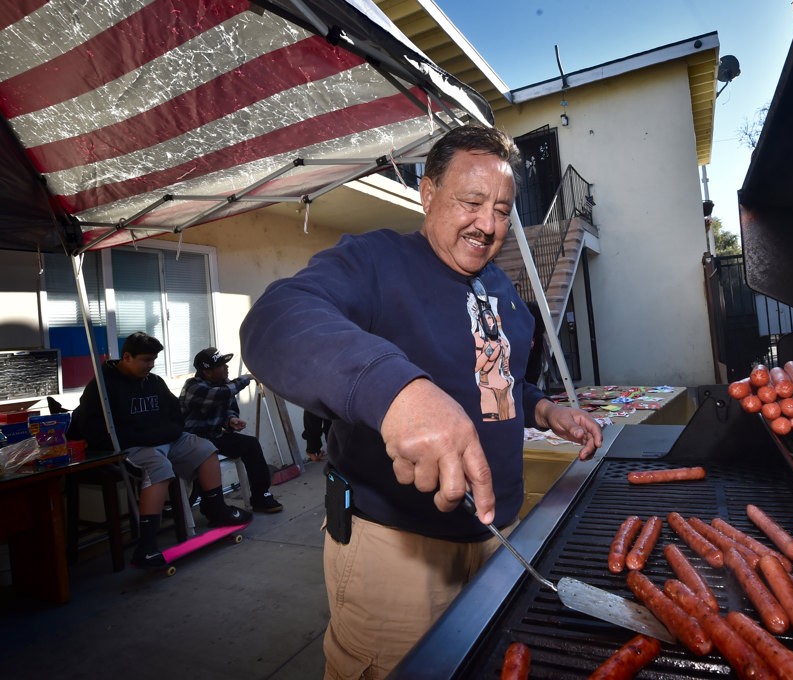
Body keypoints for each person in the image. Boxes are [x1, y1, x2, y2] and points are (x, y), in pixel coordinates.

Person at [239, 124, 603, 679]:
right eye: (472, 202)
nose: (488, 225)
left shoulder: (502, 290)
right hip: (395, 547)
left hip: (496, 537)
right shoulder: (375, 260)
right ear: (427, 193)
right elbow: (275, 320)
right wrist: (398, 391)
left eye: (503, 210)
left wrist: (545, 409)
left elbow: (501, 382)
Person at [72, 332, 252, 568]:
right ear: (127, 357)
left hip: (166, 440)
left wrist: (169, 433)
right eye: (146, 360)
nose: (151, 365)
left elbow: (176, 414)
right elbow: (93, 429)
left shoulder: (154, 382)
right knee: (159, 466)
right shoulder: (103, 387)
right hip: (130, 447)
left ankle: (217, 510)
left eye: (153, 360)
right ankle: (146, 547)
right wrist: (147, 437)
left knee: (205, 448)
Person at [179, 347, 283, 513]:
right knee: (206, 454)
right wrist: (244, 379)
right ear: (207, 372)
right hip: (194, 441)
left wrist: (230, 420)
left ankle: (260, 496)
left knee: (251, 444)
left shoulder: (223, 384)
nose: (226, 368)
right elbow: (219, 395)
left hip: (215, 436)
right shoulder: (193, 387)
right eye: (221, 365)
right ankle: (212, 506)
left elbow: (229, 407)